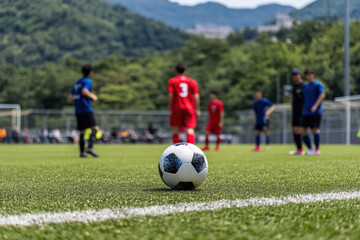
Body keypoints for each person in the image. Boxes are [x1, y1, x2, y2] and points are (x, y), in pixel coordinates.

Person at [69, 64, 100, 158]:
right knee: (95, 128)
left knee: (82, 131)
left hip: (78, 110)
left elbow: (71, 96)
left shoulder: (77, 82)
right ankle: (90, 147)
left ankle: (82, 152)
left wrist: (78, 102)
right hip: (86, 109)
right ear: (91, 72)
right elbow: (85, 91)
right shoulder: (87, 81)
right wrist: (93, 96)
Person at [168, 64, 200, 144]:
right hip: (189, 107)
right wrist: (197, 109)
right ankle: (190, 148)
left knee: (175, 128)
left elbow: (170, 94)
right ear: (185, 71)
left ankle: (176, 149)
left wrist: (170, 105)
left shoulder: (172, 81)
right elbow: (196, 96)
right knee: (190, 128)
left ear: (176, 71)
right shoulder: (192, 81)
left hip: (176, 107)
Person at [301, 69, 326, 155]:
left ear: (313, 75)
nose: (309, 76)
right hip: (305, 112)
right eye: (307, 74)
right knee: (302, 131)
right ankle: (310, 149)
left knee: (315, 130)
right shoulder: (305, 87)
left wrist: (315, 105)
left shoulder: (317, 84)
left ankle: (317, 149)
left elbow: (322, 94)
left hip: (315, 112)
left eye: (311, 74)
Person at [289, 69, 306, 155]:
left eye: (296, 75)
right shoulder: (293, 86)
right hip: (295, 112)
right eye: (293, 75)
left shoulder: (304, 85)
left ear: (300, 75)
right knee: (294, 129)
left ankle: (310, 148)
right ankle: (299, 149)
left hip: (302, 111)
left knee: (301, 130)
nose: (295, 76)